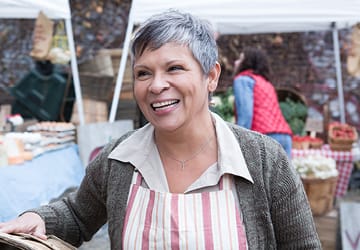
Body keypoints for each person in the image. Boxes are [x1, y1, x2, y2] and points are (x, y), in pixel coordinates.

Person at [0, 10, 321, 249]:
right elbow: (77, 213)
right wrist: (40, 218)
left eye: (174, 68)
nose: (156, 85)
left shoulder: (264, 160)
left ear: (211, 76)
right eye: (143, 73)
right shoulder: (118, 159)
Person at [232, 47, 293, 158]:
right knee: (284, 176)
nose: (235, 62)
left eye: (240, 59)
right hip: (284, 136)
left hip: (263, 137)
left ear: (247, 63)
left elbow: (245, 115)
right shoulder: (265, 82)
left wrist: (238, 142)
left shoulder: (242, 80)